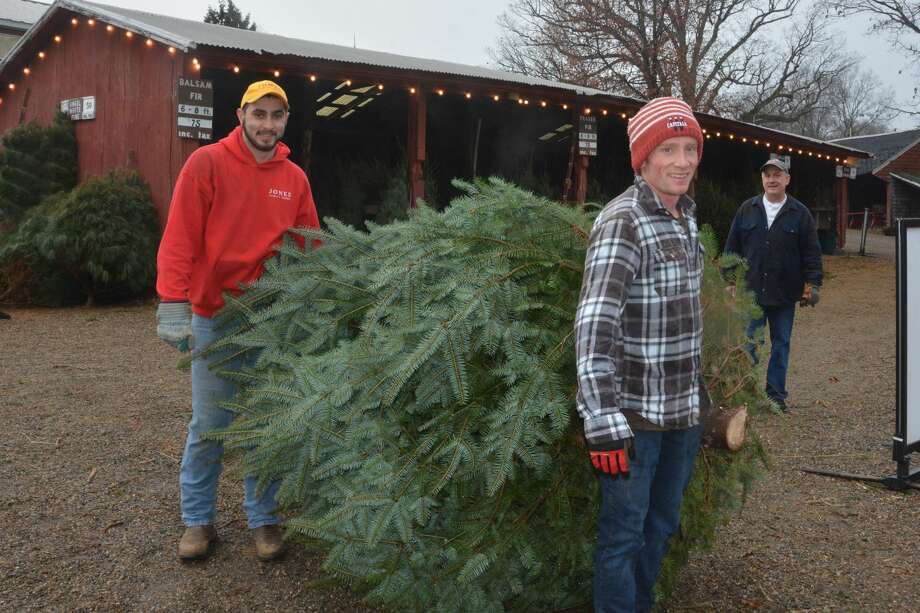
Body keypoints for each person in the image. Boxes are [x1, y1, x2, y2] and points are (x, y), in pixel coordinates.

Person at [155, 80, 320, 561]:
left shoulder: (294, 179)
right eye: (259, 114)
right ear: (241, 114)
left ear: (285, 120)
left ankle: (264, 519)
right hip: (215, 316)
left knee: (267, 421)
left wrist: (320, 300)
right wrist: (173, 301)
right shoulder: (206, 164)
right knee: (210, 425)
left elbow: (309, 244)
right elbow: (181, 236)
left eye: (277, 116)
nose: (268, 124)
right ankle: (197, 521)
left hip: (271, 319)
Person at [575, 97, 708, 613]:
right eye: (668, 149)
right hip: (635, 421)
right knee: (623, 538)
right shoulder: (623, 221)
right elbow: (594, 325)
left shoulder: (686, 218)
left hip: (682, 416)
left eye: (689, 148)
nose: (681, 161)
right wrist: (602, 417)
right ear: (643, 159)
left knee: (661, 527)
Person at [723, 158, 822, 412]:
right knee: (749, 345)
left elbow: (812, 252)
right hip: (751, 292)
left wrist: (812, 284)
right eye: (767, 175)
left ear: (787, 179)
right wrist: (729, 281)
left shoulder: (800, 213)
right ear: (762, 179)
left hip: (785, 293)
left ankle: (776, 397)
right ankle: (747, 395)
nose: (772, 179)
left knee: (781, 345)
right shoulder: (747, 209)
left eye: (778, 174)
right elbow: (731, 247)